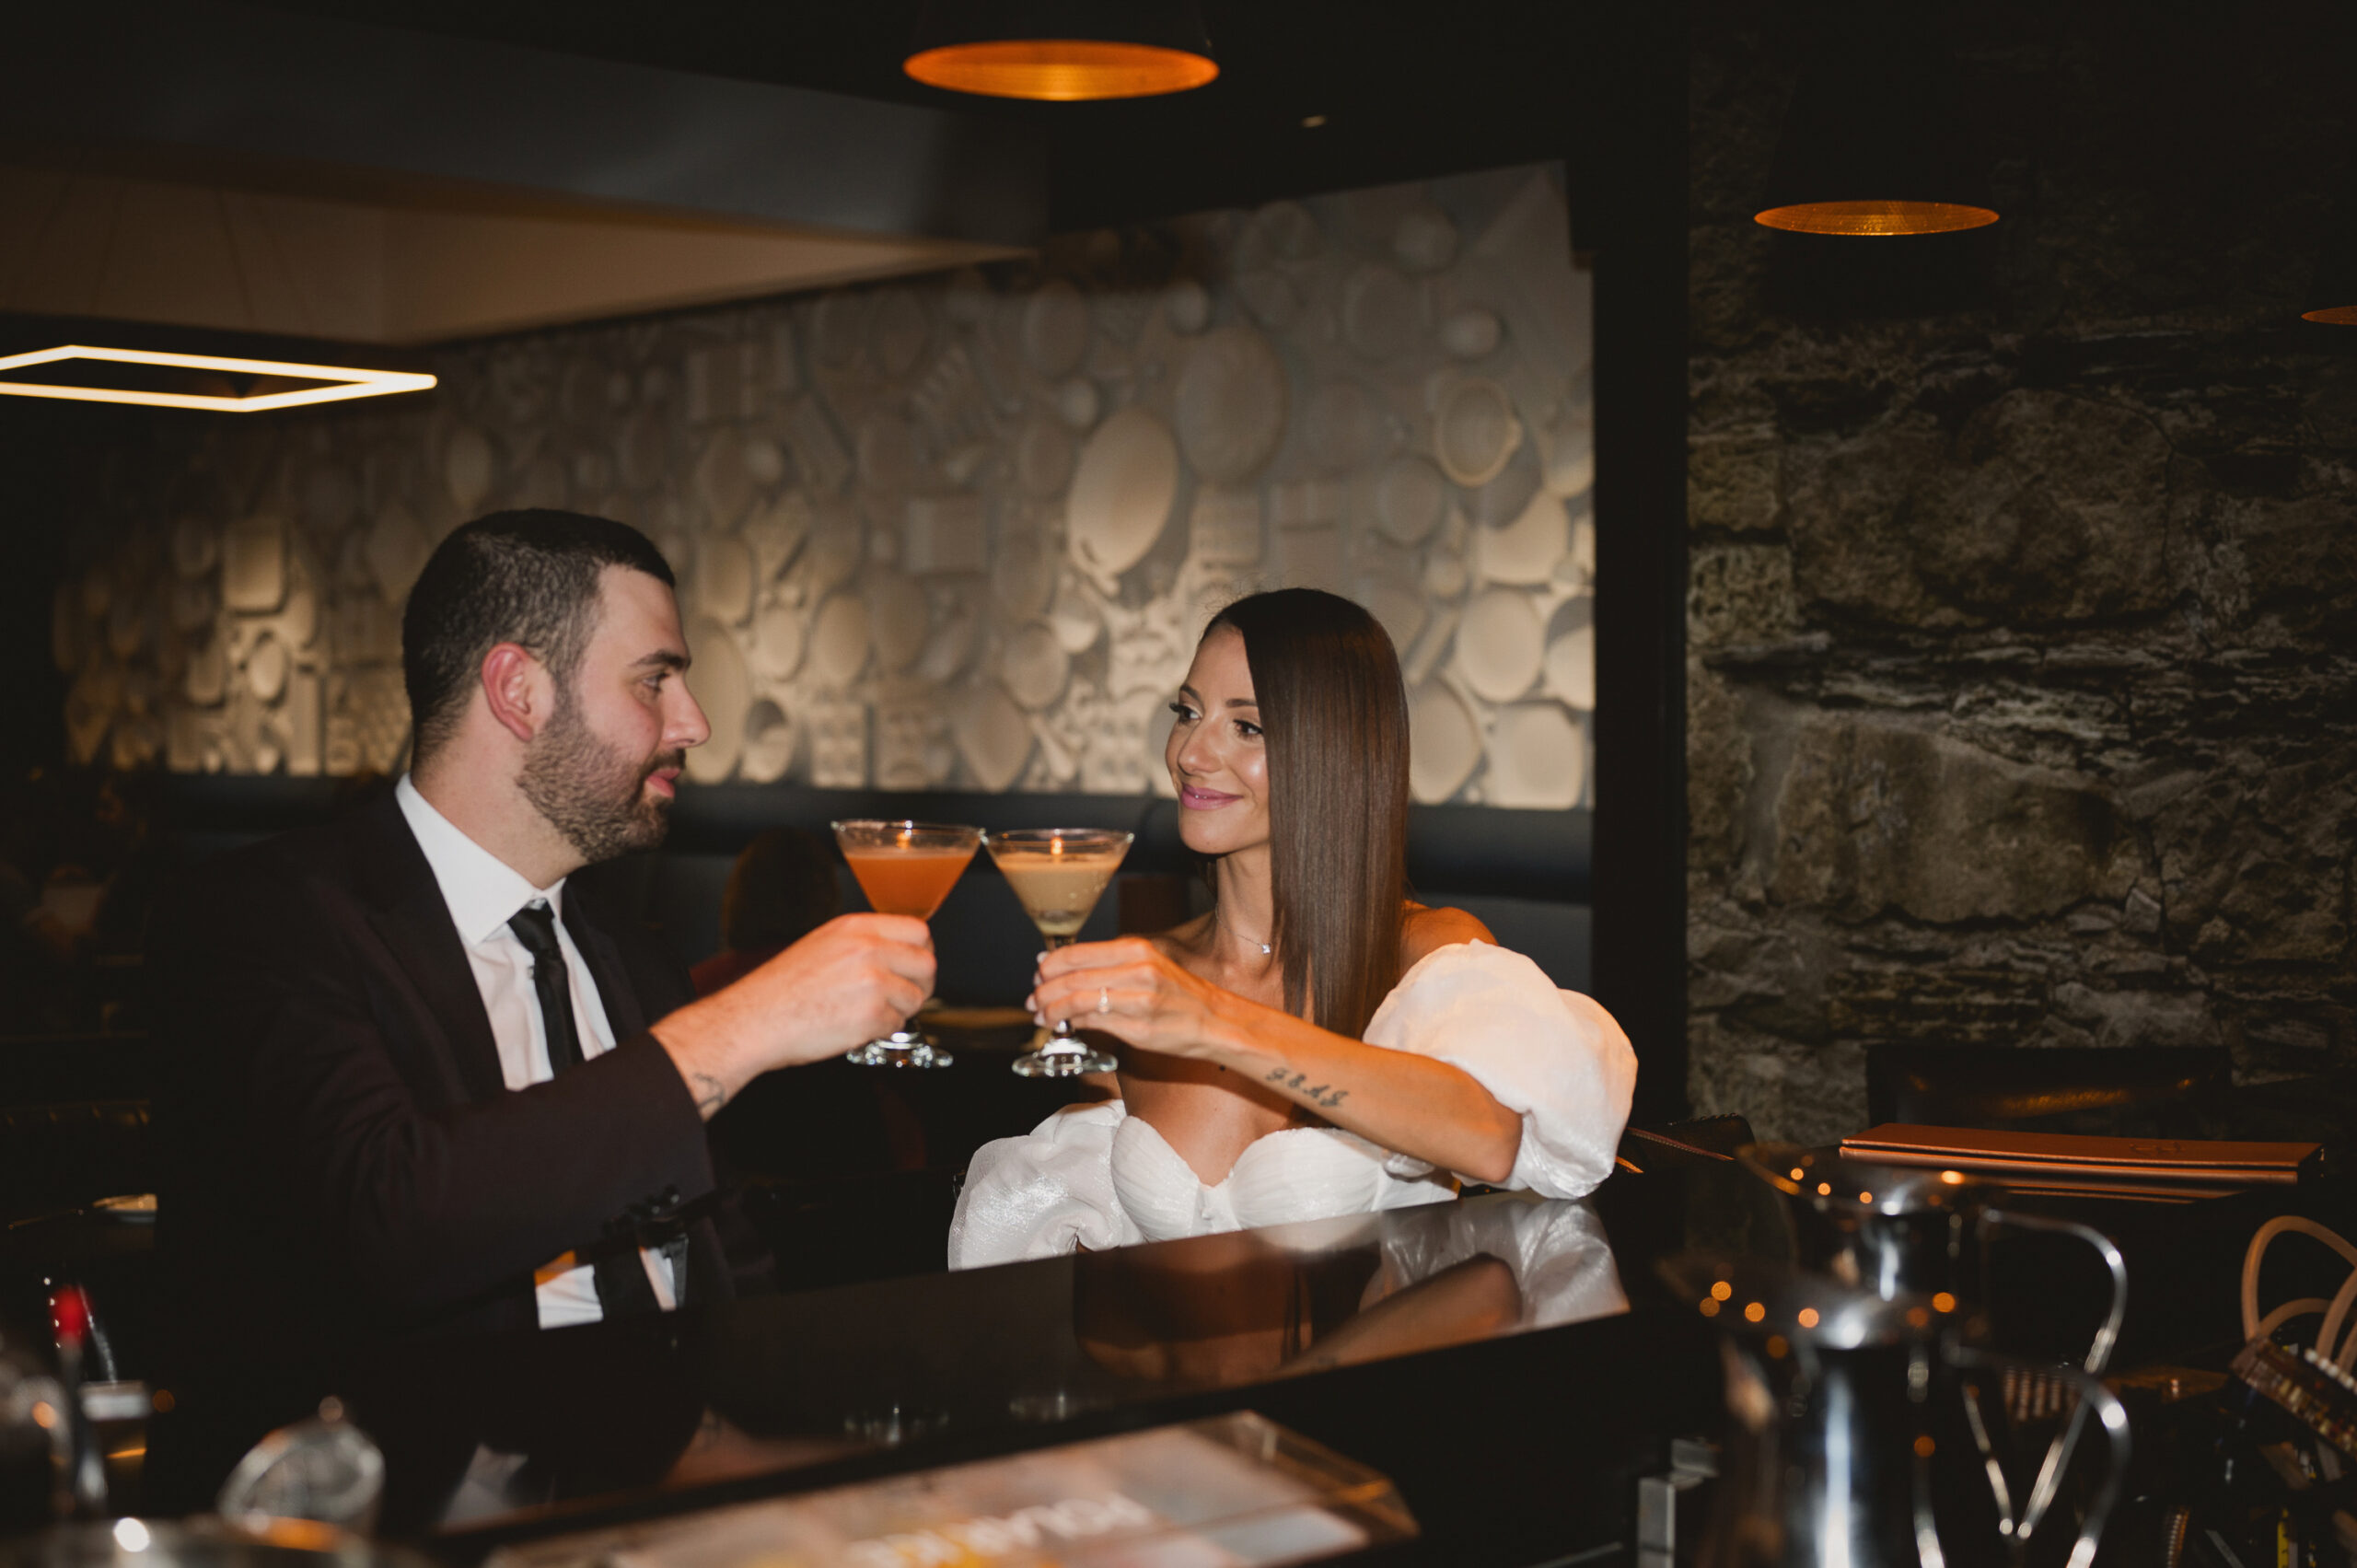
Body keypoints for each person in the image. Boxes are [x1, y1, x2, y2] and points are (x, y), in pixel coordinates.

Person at [149, 510, 935, 1365]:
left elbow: (725, 1257)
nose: (694, 723)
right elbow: (387, 1223)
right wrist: (737, 1027)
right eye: (654, 680)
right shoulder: (267, 915)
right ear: (518, 691)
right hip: (423, 1471)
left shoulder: (625, 946)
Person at [946, 589, 1636, 1267]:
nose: (1190, 752)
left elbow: (1490, 1137)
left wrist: (1212, 1021)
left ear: (1330, 752)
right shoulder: (1146, 973)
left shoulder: (1422, 956)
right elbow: (1097, 1240)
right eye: (1188, 712)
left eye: (1246, 726)